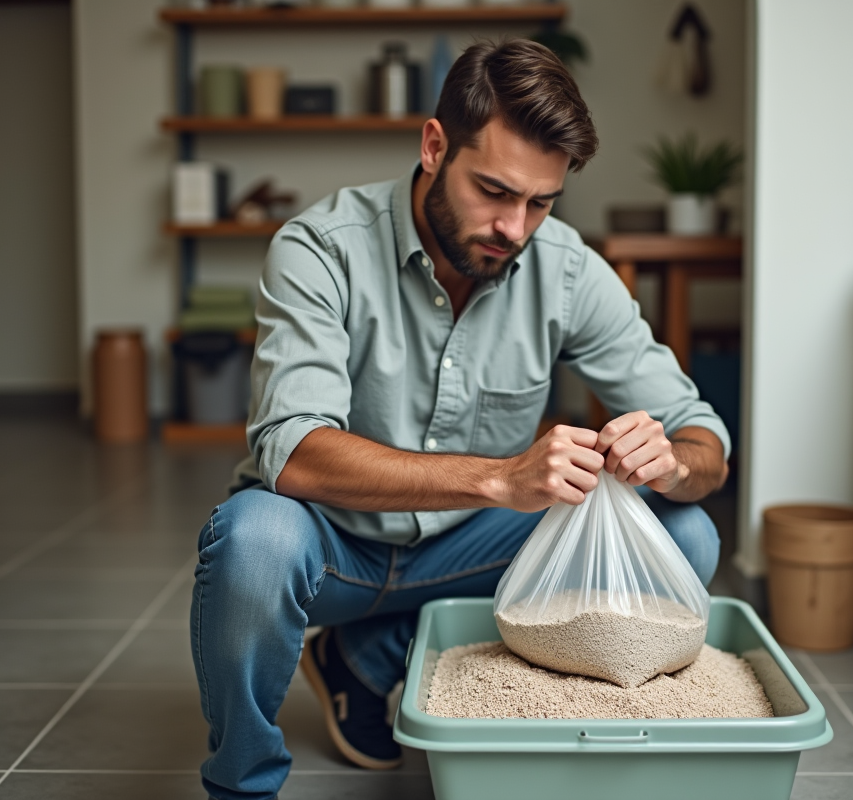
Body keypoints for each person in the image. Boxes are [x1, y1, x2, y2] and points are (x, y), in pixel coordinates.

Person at [190, 39, 730, 800]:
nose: (515, 227)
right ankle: (241, 785)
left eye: (540, 203)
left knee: (684, 532)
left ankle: (368, 660)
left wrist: (671, 462)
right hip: (332, 546)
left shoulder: (570, 272)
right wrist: (501, 478)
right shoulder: (319, 249)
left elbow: (707, 440)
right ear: (435, 146)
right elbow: (294, 454)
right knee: (253, 540)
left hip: (473, 551)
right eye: (494, 191)